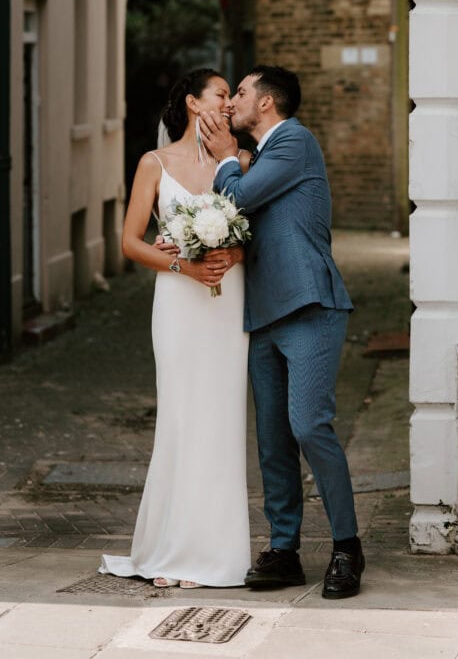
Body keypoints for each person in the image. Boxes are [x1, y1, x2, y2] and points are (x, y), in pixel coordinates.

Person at [200, 64, 364, 600]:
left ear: (266, 103)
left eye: (240, 93)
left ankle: (347, 547)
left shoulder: (293, 141)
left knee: (309, 425)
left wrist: (227, 156)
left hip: (310, 306)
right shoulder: (264, 154)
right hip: (264, 314)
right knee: (272, 440)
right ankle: (284, 549)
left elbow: (238, 199)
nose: (232, 102)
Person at [99, 68, 251, 589]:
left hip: (228, 303)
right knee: (183, 417)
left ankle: (216, 552)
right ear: (193, 102)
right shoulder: (154, 163)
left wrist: (233, 248)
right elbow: (130, 242)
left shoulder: (242, 162)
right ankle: (174, 547)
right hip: (178, 303)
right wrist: (184, 265)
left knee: (223, 418)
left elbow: (257, 232)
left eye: (233, 95)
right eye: (222, 94)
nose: (230, 103)